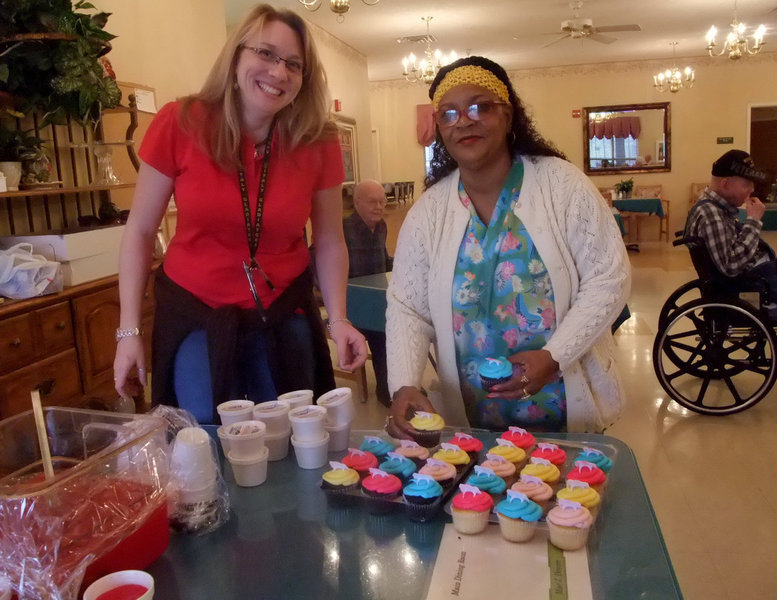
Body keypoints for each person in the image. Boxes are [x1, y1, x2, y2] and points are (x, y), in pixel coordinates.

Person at [113, 4, 367, 424]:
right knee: (202, 439)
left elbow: (328, 240)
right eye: (265, 53)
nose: (278, 72)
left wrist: (338, 318)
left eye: (293, 64)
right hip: (196, 310)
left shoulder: (318, 140)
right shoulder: (180, 123)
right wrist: (128, 332)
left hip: (283, 308)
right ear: (236, 59)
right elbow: (140, 231)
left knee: (292, 438)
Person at [385, 56, 631, 437]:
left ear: (508, 115)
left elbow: (608, 279)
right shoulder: (428, 213)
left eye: (480, 107)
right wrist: (404, 383)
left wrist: (555, 356)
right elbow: (407, 307)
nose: (464, 121)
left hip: (565, 415)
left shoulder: (563, 186)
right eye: (448, 113)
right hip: (470, 428)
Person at [684, 149, 777, 305]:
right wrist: (753, 221)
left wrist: (776, 260)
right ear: (725, 184)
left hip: (759, 276)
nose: (752, 189)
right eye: (746, 184)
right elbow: (731, 265)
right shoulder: (710, 213)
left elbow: (734, 248)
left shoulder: (721, 210)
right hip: (752, 285)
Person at [342, 179, 393, 406]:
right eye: (373, 202)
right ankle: (387, 389)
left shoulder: (381, 226)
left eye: (382, 201)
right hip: (352, 305)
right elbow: (319, 266)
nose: (379, 207)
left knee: (402, 324)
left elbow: (385, 260)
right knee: (384, 332)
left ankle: (399, 383)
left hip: (377, 299)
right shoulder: (342, 229)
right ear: (357, 202)